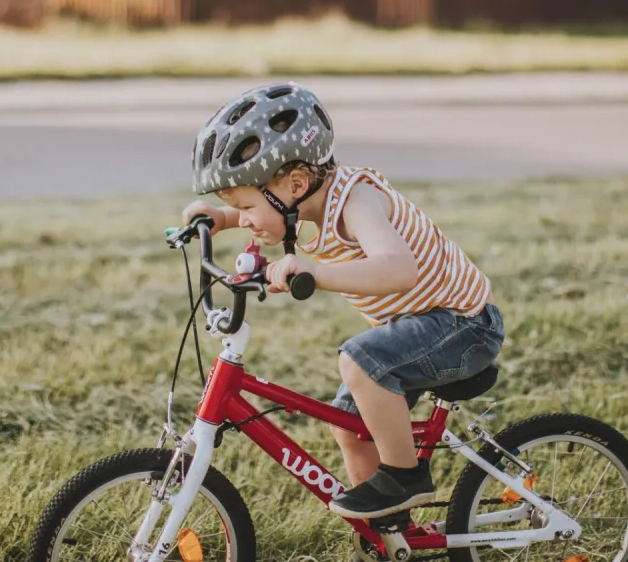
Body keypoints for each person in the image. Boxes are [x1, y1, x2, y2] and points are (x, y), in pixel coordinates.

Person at [182, 82, 505, 519]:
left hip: (464, 325)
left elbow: (398, 269)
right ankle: (388, 531)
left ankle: (404, 479)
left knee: (359, 360)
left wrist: (318, 273)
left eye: (245, 206)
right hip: (421, 326)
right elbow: (266, 214)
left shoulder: (356, 201)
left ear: (296, 183)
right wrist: (220, 218)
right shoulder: (303, 204)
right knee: (350, 426)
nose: (246, 218)